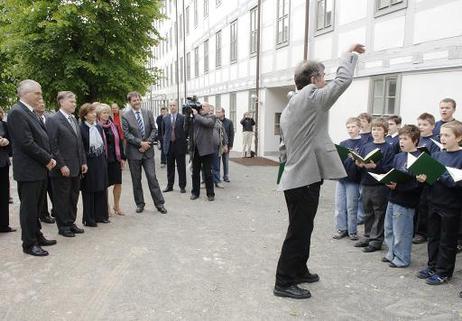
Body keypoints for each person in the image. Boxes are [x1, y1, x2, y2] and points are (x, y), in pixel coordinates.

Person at [274, 43, 365, 299]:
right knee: (298, 232)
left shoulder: (292, 103)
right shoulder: (311, 96)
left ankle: (299, 270)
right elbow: (343, 81)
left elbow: (284, 148)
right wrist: (349, 54)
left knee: (304, 228)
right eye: (323, 76)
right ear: (314, 79)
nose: (326, 80)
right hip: (303, 180)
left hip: (298, 178)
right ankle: (283, 282)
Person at [7, 79, 57, 256]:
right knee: (29, 209)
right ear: (25, 93)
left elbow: (41, 137)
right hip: (29, 170)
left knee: (36, 207)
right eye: (38, 93)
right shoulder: (17, 112)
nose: (40, 96)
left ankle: (37, 235)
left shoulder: (29, 111)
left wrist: (47, 159)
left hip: (38, 168)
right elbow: (26, 143)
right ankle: (29, 244)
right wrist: (47, 159)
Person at [416, 121, 462, 285]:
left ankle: (444, 272)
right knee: (433, 237)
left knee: (447, 241)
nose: (442, 138)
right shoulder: (436, 155)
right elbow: (430, 180)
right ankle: (432, 266)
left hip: (451, 206)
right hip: (433, 202)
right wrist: (423, 179)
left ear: (459, 137)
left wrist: (438, 174)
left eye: (447, 135)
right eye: (441, 135)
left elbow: (456, 183)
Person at [47, 91, 87, 238]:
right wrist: (61, 165)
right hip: (62, 168)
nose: (74, 104)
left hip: (76, 167)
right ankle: (63, 226)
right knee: (61, 198)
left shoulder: (74, 119)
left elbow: (79, 143)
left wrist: (83, 161)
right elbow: (53, 146)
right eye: (71, 101)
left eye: (75, 101)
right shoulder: (53, 120)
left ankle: (71, 222)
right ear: (61, 102)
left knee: (73, 196)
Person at [383, 125, 423, 268]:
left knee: (402, 232)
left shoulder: (420, 159)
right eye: (400, 138)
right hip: (393, 197)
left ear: (415, 140)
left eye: (405, 139)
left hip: (406, 201)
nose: (401, 142)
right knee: (389, 228)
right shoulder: (398, 156)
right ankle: (391, 253)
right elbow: (394, 174)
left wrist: (398, 186)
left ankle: (402, 258)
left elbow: (418, 184)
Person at [354, 118, 395, 253]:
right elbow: (361, 162)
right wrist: (359, 164)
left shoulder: (388, 147)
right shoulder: (366, 146)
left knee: (379, 212)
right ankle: (367, 236)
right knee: (367, 211)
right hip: (366, 182)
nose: (376, 132)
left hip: (380, 185)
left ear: (385, 131)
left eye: (379, 129)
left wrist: (375, 166)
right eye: (373, 129)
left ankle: (376, 240)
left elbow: (389, 167)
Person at [122, 91, 167, 214]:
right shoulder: (125, 116)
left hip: (148, 153)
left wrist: (147, 143)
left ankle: (159, 204)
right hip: (133, 153)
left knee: (152, 178)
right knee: (136, 180)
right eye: (134, 100)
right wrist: (140, 143)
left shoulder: (148, 113)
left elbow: (154, 129)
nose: (137, 102)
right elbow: (126, 134)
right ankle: (140, 204)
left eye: (138, 100)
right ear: (130, 102)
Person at [332, 117, 362, 241]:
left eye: (353, 127)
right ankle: (341, 229)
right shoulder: (344, 143)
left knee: (351, 206)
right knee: (339, 206)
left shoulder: (363, 144)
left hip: (353, 180)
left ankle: (352, 231)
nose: (351, 129)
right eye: (348, 127)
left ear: (359, 128)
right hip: (342, 178)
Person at [80, 103, 109, 226]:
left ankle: (101, 215)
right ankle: (89, 218)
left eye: (94, 112)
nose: (94, 114)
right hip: (89, 162)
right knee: (90, 190)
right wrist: (83, 162)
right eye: (91, 112)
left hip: (100, 161)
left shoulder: (98, 127)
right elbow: (80, 148)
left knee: (101, 188)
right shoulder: (81, 128)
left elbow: (102, 145)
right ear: (85, 116)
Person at [413, 113, 440, 245]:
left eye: (425, 125)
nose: (421, 127)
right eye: (419, 124)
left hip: (427, 178)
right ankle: (416, 230)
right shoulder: (417, 139)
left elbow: (435, 158)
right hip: (416, 176)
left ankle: (423, 232)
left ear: (433, 126)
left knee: (424, 205)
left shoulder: (435, 141)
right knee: (417, 205)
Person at [97, 103, 126, 216]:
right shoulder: (96, 127)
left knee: (118, 183)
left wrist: (123, 157)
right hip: (104, 160)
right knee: (105, 185)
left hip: (115, 158)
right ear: (99, 114)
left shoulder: (114, 126)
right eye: (104, 112)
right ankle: (106, 207)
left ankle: (116, 205)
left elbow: (119, 142)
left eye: (107, 112)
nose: (106, 115)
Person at [186, 102, 216, 201]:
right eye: (201, 106)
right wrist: (188, 116)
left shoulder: (212, 117)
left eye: (204, 106)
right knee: (195, 173)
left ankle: (210, 194)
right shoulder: (196, 117)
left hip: (207, 150)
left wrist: (196, 115)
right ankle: (195, 193)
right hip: (196, 150)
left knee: (208, 173)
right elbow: (187, 128)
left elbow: (207, 123)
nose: (201, 108)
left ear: (209, 108)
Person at [35, 99, 56, 224]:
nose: (42, 104)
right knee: (42, 189)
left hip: (52, 158)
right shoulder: (32, 118)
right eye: (39, 102)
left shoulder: (49, 118)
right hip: (40, 159)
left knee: (53, 188)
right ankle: (44, 214)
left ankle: (56, 210)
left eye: (43, 103)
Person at [162, 100, 187, 193]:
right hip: (169, 145)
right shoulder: (165, 118)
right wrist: (164, 145)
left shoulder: (182, 118)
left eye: (174, 105)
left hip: (179, 145)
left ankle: (182, 186)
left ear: (177, 107)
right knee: (170, 167)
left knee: (181, 167)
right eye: (171, 105)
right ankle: (170, 185)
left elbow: (186, 132)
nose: (172, 107)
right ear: (169, 106)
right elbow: (163, 133)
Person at [0, 106, 16, 233]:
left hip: (3, 163)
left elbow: (12, 140)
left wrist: (6, 141)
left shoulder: (4, 124)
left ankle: (4, 225)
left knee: (4, 195)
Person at [211, 105, 228, 189]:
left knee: (216, 165)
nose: (211, 112)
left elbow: (224, 134)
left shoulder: (219, 122)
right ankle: (204, 181)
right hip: (206, 148)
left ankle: (217, 181)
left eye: (212, 110)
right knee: (205, 166)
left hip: (216, 147)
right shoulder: (203, 120)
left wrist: (225, 144)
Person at [216, 107, 234, 182]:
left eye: (219, 112)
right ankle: (217, 177)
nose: (217, 113)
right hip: (217, 145)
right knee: (217, 162)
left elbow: (231, 134)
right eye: (216, 112)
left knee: (225, 161)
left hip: (226, 145)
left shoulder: (229, 122)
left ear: (223, 113)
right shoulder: (215, 121)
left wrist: (230, 145)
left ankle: (226, 176)